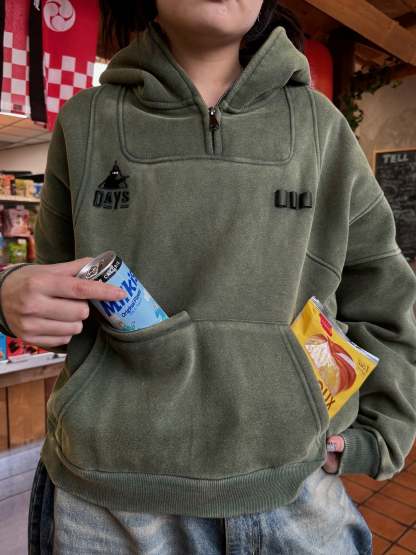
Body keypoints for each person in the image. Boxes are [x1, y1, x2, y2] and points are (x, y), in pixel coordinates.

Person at [0, 1, 415, 553]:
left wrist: (380, 432)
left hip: (293, 488)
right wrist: (11, 290)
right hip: (108, 499)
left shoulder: (322, 127)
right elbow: (54, 288)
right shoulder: (85, 120)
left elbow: (383, 291)